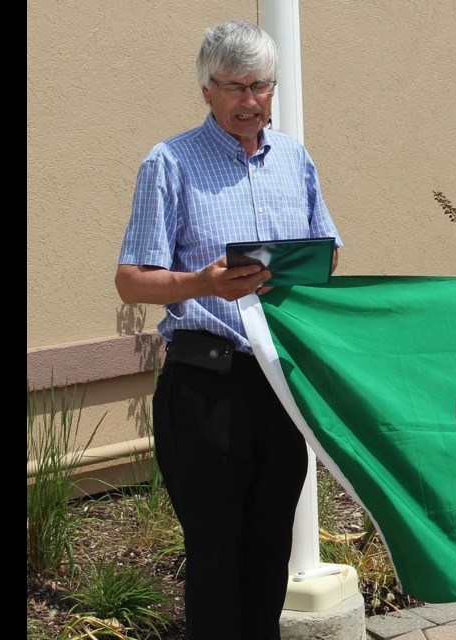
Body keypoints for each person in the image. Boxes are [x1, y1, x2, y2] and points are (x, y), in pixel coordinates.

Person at [115, 19, 342, 640]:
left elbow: (327, 250)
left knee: (269, 550)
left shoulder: (294, 158)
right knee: (216, 558)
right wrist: (201, 283)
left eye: (262, 86)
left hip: (278, 384)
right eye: (235, 87)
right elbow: (132, 280)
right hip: (204, 385)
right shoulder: (170, 163)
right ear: (206, 90)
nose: (251, 102)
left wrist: (306, 270)